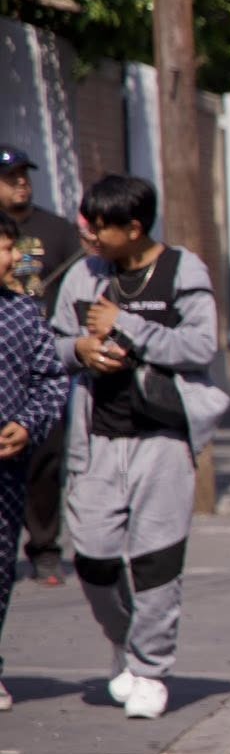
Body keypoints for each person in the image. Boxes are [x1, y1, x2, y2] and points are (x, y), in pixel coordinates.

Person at [52, 175, 230, 719]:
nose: (90, 235)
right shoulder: (84, 276)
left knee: (156, 560)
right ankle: (129, 642)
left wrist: (126, 325)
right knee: (93, 556)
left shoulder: (182, 272)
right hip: (99, 439)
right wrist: (83, 349)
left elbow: (200, 345)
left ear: (133, 229)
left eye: (99, 226)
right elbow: (54, 345)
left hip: (162, 436)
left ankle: (151, 670)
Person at [0, 213, 75, 711]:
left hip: (6, 469)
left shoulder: (24, 314)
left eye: (9, 248)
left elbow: (53, 380)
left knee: (1, 568)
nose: (6, 258)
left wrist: (28, 424)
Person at [0, 144, 84, 585]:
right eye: (9, 177)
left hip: (38, 359)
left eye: (24, 175)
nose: (20, 183)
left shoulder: (57, 231)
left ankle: (45, 546)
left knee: (46, 462)